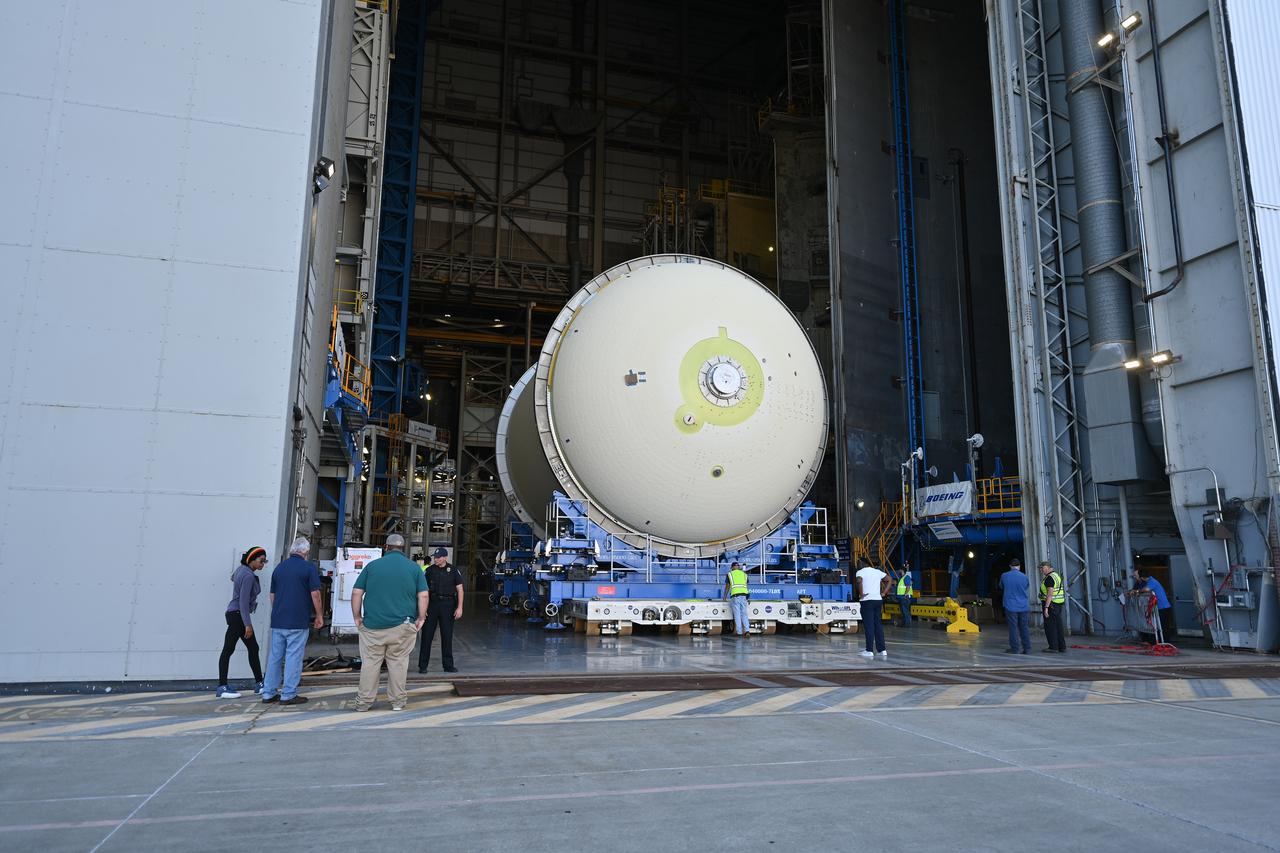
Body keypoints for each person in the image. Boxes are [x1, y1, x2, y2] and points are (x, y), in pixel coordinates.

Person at [351, 534, 428, 711]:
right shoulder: (414, 568)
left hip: (373, 626)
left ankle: (364, 703)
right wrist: (421, 617)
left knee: (370, 664)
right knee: (398, 663)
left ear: (386, 547)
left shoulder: (373, 566)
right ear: (403, 548)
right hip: (402, 626)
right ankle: (397, 703)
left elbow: (356, 592)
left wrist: (357, 616)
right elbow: (423, 595)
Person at [261, 537, 323, 706]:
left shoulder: (279, 568)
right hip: (297, 620)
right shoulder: (308, 568)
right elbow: (315, 594)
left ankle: (268, 692)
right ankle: (288, 694)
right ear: (305, 552)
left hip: (278, 620)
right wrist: (319, 615)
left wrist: (279, 611)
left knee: (275, 657)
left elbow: (272, 595)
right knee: (293, 657)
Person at [216, 546, 267, 698]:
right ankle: (223, 687)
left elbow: (233, 578)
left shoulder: (241, 570)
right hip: (238, 615)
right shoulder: (248, 576)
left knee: (247, 648)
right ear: (251, 560)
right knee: (231, 649)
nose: (262, 564)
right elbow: (243, 603)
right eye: (261, 561)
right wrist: (248, 624)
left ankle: (258, 684)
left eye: (264, 562)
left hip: (234, 614)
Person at [419, 547, 465, 673]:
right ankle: (423, 666)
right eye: (435, 557)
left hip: (448, 605)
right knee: (427, 635)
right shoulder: (429, 571)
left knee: (447, 635)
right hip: (432, 605)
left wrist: (460, 607)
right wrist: (423, 608)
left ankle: (448, 666)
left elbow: (460, 590)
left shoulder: (453, 570)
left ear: (445, 558)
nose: (436, 559)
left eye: (438, 557)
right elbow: (423, 590)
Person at [1128, 567, 1176, 646]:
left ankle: (1165, 642)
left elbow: (1146, 589)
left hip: (1163, 607)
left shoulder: (1152, 581)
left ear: (1142, 577)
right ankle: (1159, 642)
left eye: (1137, 576)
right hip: (1157, 607)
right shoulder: (1149, 581)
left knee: (1163, 626)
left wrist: (1137, 591)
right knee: (1157, 626)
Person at [855, 564, 891, 658]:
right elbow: (889, 579)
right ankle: (882, 650)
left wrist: (861, 594)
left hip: (867, 601)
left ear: (861, 564)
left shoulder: (860, 572)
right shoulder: (877, 572)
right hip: (878, 600)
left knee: (869, 626)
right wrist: (884, 593)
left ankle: (869, 650)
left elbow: (859, 581)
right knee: (878, 625)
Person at [999, 558, 1031, 654]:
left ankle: (1015, 648)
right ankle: (1027, 648)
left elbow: (1001, 586)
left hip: (1010, 605)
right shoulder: (1024, 576)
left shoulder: (1004, 576)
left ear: (1010, 566)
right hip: (1023, 605)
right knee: (1024, 627)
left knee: (1013, 627)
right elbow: (1026, 587)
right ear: (1019, 566)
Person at [1039, 560, 1067, 653]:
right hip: (1058, 604)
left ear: (1047, 567)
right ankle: (1062, 646)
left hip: (1051, 604)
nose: (1041, 570)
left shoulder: (1049, 578)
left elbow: (1050, 594)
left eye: (1042, 568)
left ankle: (1053, 647)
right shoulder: (1056, 575)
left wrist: (1046, 608)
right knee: (1058, 626)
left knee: (1050, 626)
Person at [723, 562, 750, 636]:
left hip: (735, 596)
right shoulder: (744, 574)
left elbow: (727, 586)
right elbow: (746, 586)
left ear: (732, 567)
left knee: (737, 614)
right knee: (744, 614)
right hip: (744, 596)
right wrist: (748, 597)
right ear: (738, 567)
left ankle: (739, 632)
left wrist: (724, 597)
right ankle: (747, 631)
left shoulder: (730, 574)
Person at [894, 561, 914, 627]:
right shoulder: (901, 578)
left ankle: (907, 624)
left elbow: (908, 587)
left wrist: (905, 595)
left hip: (904, 598)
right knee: (903, 611)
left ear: (902, 570)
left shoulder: (906, 577)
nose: (898, 571)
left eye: (899, 570)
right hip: (901, 598)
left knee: (905, 612)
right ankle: (904, 623)